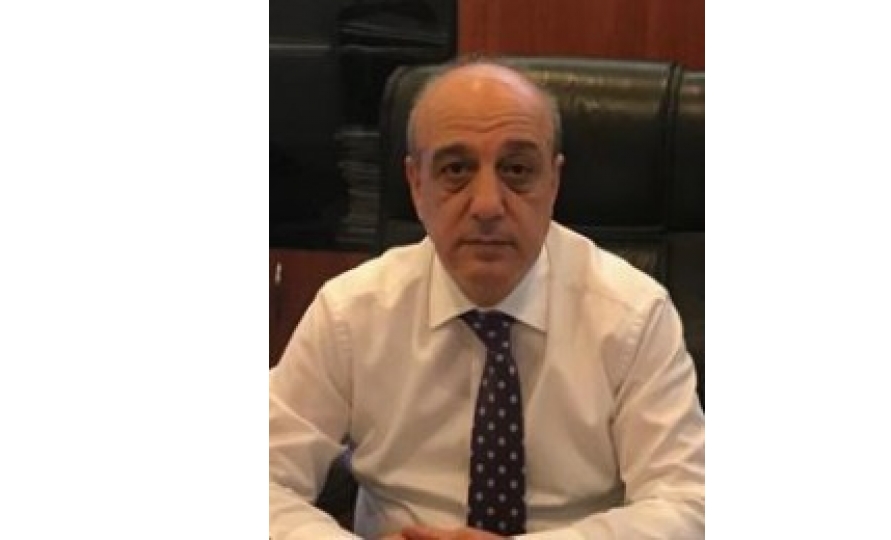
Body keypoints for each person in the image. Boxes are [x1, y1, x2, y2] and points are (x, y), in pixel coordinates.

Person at [269, 59, 705, 540]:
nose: (487, 206)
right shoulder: (351, 313)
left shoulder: (633, 315)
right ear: (416, 184)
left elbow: (688, 502)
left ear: (554, 182)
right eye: (456, 170)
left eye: (517, 170)